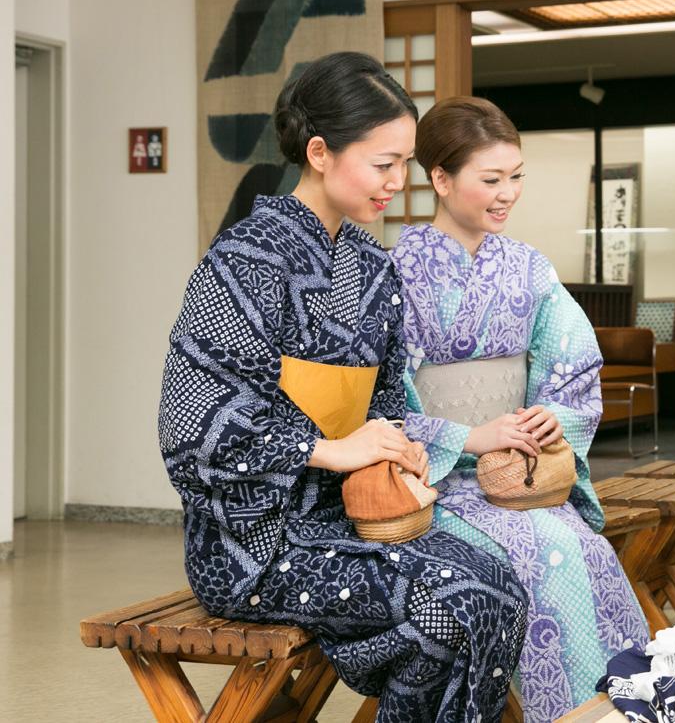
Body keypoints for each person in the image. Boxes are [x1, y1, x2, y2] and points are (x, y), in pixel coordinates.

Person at [158, 53, 527, 723]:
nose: (396, 182)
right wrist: (332, 451)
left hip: (349, 519)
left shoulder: (371, 267)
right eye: (381, 163)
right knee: (449, 602)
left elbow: (383, 409)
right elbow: (194, 429)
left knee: (500, 585)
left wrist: (395, 449)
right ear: (320, 152)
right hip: (254, 544)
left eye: (403, 164)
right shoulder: (241, 263)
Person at [391, 96, 649, 723]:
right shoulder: (393, 272)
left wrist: (552, 417)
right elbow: (378, 396)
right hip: (431, 483)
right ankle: (575, 715)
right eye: (491, 180)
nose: (508, 194)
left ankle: (630, 705)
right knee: (551, 552)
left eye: (516, 177)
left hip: (513, 478)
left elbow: (572, 363)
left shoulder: (530, 269)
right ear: (442, 178)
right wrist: (467, 436)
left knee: (587, 549)